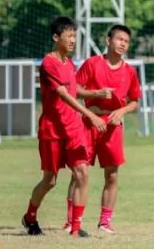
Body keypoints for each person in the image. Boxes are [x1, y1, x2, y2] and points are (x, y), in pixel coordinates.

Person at [21, 17, 106, 237]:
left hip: (74, 128)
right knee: (50, 180)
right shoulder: (48, 63)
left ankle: (76, 228)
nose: (72, 41)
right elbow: (63, 94)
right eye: (69, 36)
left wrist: (94, 94)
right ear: (56, 37)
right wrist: (90, 115)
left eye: (75, 37)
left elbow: (74, 90)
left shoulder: (70, 64)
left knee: (82, 173)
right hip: (52, 130)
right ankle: (30, 216)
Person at [64, 24, 142, 234]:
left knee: (112, 176)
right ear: (108, 41)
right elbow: (75, 90)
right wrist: (95, 94)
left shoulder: (129, 72)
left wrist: (122, 111)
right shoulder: (92, 64)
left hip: (112, 128)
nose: (123, 44)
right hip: (89, 123)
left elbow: (135, 101)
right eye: (119, 39)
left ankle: (105, 222)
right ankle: (71, 220)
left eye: (126, 41)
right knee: (79, 173)